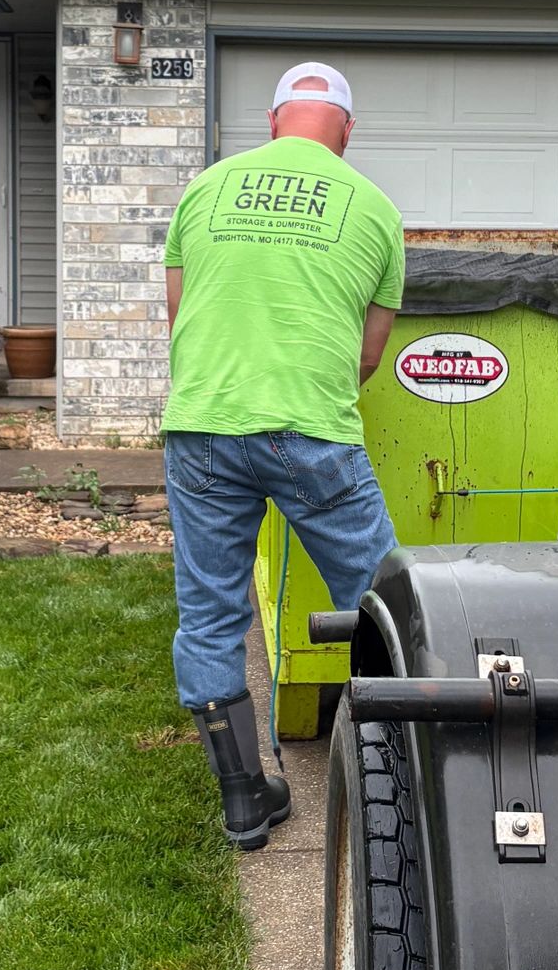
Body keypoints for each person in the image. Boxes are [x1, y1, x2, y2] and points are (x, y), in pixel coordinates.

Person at [162, 59, 403, 847]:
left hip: (203, 427)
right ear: (346, 131)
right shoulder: (374, 210)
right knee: (389, 606)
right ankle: (405, 780)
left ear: (272, 122)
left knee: (209, 616)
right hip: (312, 435)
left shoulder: (204, 190)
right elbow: (366, 357)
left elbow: (180, 316)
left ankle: (242, 798)